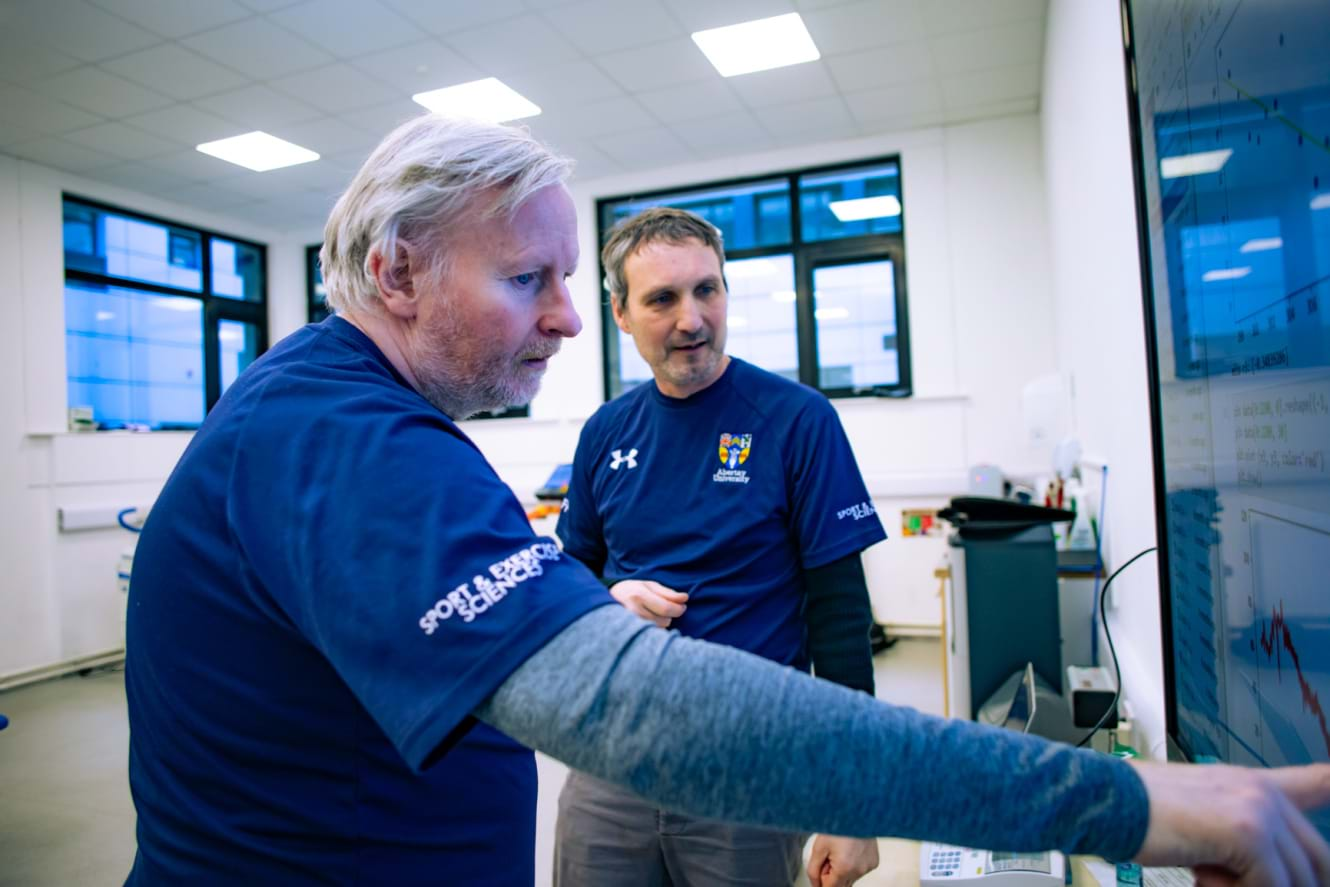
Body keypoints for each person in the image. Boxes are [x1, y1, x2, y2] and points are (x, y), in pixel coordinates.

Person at [124, 112, 1330, 887]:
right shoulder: (342, 440)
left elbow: (827, 612)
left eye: (562, 279)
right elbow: (629, 702)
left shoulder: (353, 421)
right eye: (527, 277)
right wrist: (1123, 799)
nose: (560, 316)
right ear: (394, 273)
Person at [554, 206, 885, 887]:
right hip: (612, 760)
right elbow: (566, 580)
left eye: (707, 289)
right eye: (662, 298)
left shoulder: (796, 421)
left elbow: (842, 619)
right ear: (620, 312)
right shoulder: (605, 433)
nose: (692, 318)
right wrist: (607, 598)